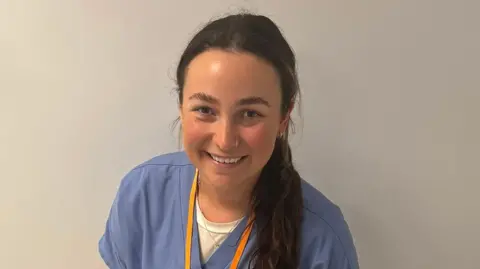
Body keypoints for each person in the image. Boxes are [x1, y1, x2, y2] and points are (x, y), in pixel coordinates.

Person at [98, 12, 359, 269]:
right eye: (205, 110)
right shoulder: (143, 195)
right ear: (180, 106)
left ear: (283, 117)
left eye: (250, 114)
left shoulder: (322, 239)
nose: (225, 140)